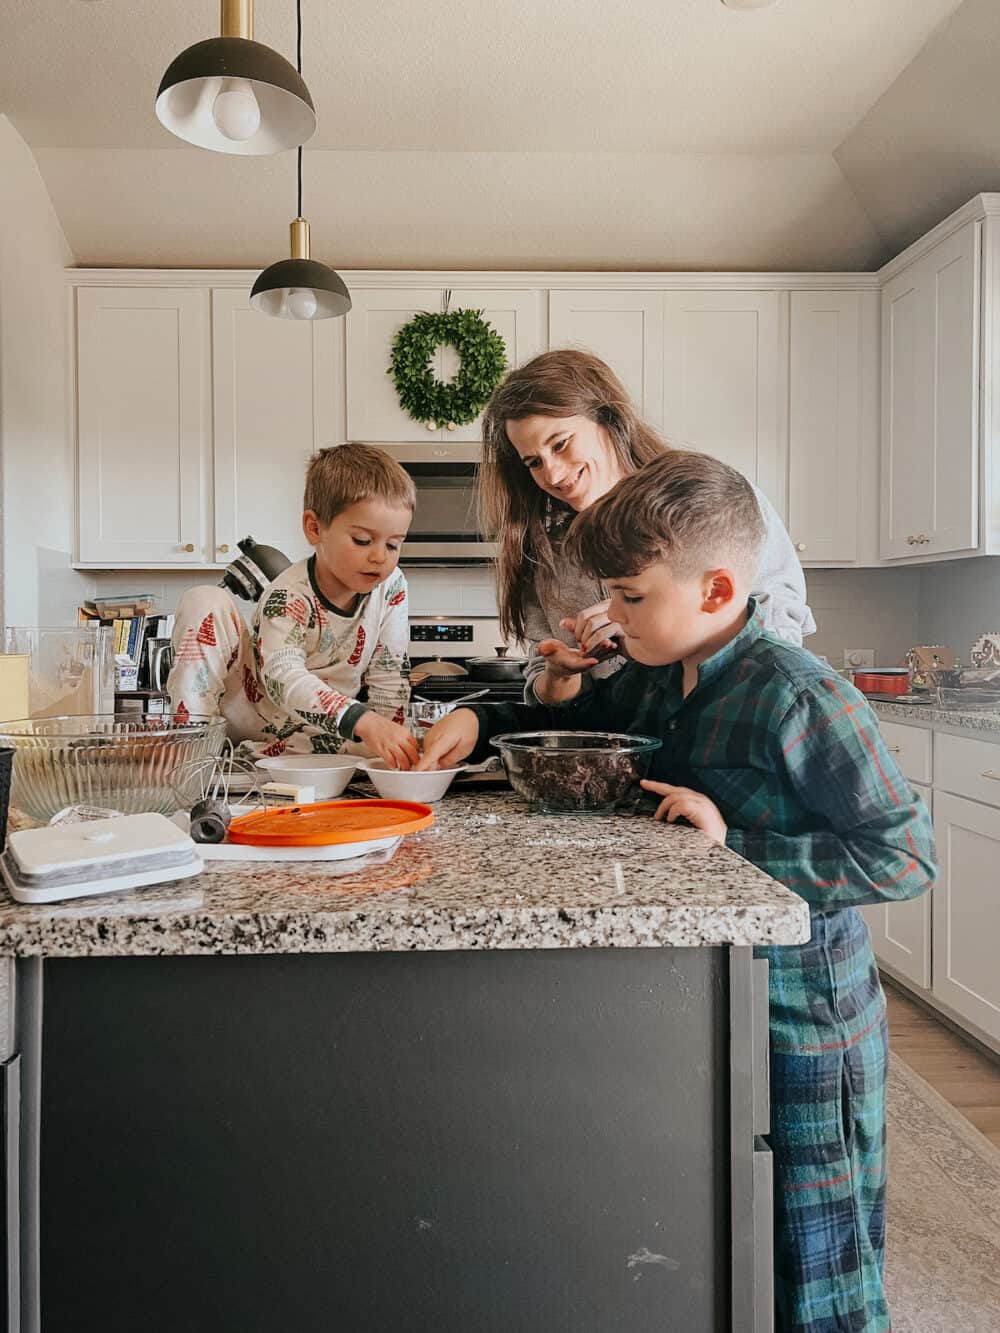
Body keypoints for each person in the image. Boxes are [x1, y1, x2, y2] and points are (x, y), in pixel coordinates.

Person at [418, 450, 936, 1333]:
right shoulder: (659, 677)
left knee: (821, 1253)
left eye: (630, 596)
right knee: (736, 1232)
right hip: (710, 996)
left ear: (716, 587)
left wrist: (738, 845)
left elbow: (903, 854)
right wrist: (495, 711)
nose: (611, 616)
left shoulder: (803, 696)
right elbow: (573, 731)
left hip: (806, 1014)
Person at [480, 349, 816, 703]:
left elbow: (781, 627)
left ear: (609, 419)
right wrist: (560, 672)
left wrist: (648, 630)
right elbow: (547, 691)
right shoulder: (547, 551)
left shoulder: (708, 498)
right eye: (534, 462)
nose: (553, 474)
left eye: (561, 444)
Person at [168, 444, 419, 768]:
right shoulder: (287, 594)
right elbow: (282, 675)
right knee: (204, 599)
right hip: (251, 716)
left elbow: (389, 675)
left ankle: (264, 759)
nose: (379, 557)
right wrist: (364, 721)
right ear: (314, 528)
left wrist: (392, 748)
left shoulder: (391, 586)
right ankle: (190, 754)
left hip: (322, 733)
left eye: (393, 544)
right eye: (362, 540)